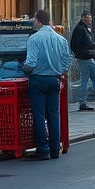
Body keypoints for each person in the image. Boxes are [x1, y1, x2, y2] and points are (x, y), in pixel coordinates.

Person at [22, 9, 72, 160]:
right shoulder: (61, 39)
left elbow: (30, 62)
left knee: (38, 115)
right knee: (53, 115)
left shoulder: (34, 39)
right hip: (54, 79)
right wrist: (61, 70)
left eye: (34, 20)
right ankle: (55, 149)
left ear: (38, 20)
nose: (33, 23)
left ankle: (43, 149)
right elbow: (67, 61)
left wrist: (23, 68)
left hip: (38, 79)